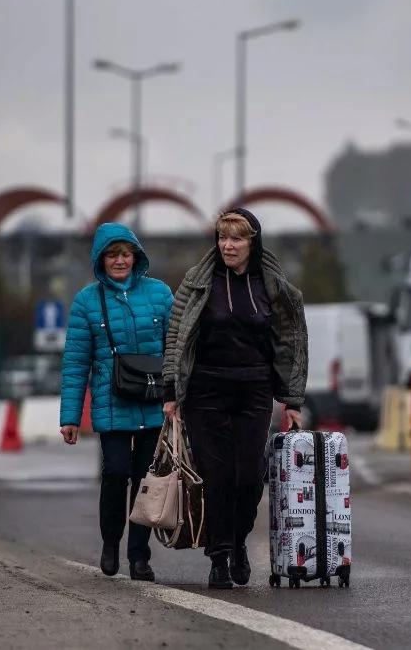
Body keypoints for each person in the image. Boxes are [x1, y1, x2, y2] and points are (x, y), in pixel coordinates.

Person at [162, 208, 308, 589]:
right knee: (217, 477)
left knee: (248, 477)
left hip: (254, 390)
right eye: (223, 237)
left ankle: (238, 541)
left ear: (252, 242)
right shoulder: (197, 282)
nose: (227, 245)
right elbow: (177, 335)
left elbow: (289, 341)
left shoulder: (271, 284)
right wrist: (172, 392)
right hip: (205, 392)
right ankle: (218, 555)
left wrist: (292, 400)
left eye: (237, 238)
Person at [59, 223, 173, 582]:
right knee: (116, 472)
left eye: (125, 254)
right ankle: (111, 541)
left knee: (146, 481)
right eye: (112, 254)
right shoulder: (86, 301)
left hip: (155, 403)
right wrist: (71, 416)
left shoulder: (160, 294)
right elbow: (76, 363)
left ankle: (139, 556)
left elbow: (177, 349)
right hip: (112, 404)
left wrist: (178, 398)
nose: (120, 260)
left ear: (136, 257)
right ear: (101, 259)